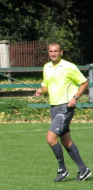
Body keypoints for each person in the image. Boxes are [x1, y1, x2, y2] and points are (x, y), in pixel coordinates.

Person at [35, 42, 90, 182]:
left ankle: (62, 169)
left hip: (65, 108)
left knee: (50, 138)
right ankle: (83, 170)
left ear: (61, 52)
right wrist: (41, 91)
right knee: (66, 142)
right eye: (50, 51)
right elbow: (46, 86)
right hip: (53, 107)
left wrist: (75, 98)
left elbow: (84, 83)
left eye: (56, 51)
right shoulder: (46, 67)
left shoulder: (69, 67)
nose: (53, 54)